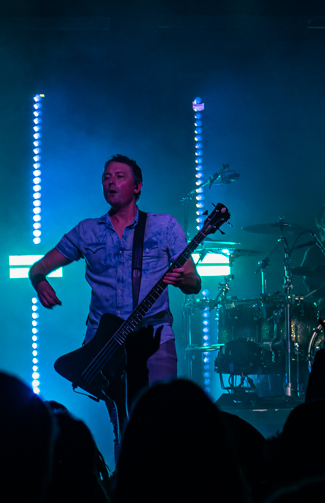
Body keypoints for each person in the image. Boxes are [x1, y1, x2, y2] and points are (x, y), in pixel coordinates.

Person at [28, 154, 201, 443]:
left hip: (154, 336)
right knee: (124, 423)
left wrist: (183, 279)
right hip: (105, 342)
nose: (111, 181)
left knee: (162, 418)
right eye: (106, 177)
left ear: (138, 187)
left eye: (119, 176)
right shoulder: (87, 230)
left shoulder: (165, 226)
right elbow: (39, 267)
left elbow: (194, 282)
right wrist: (39, 281)